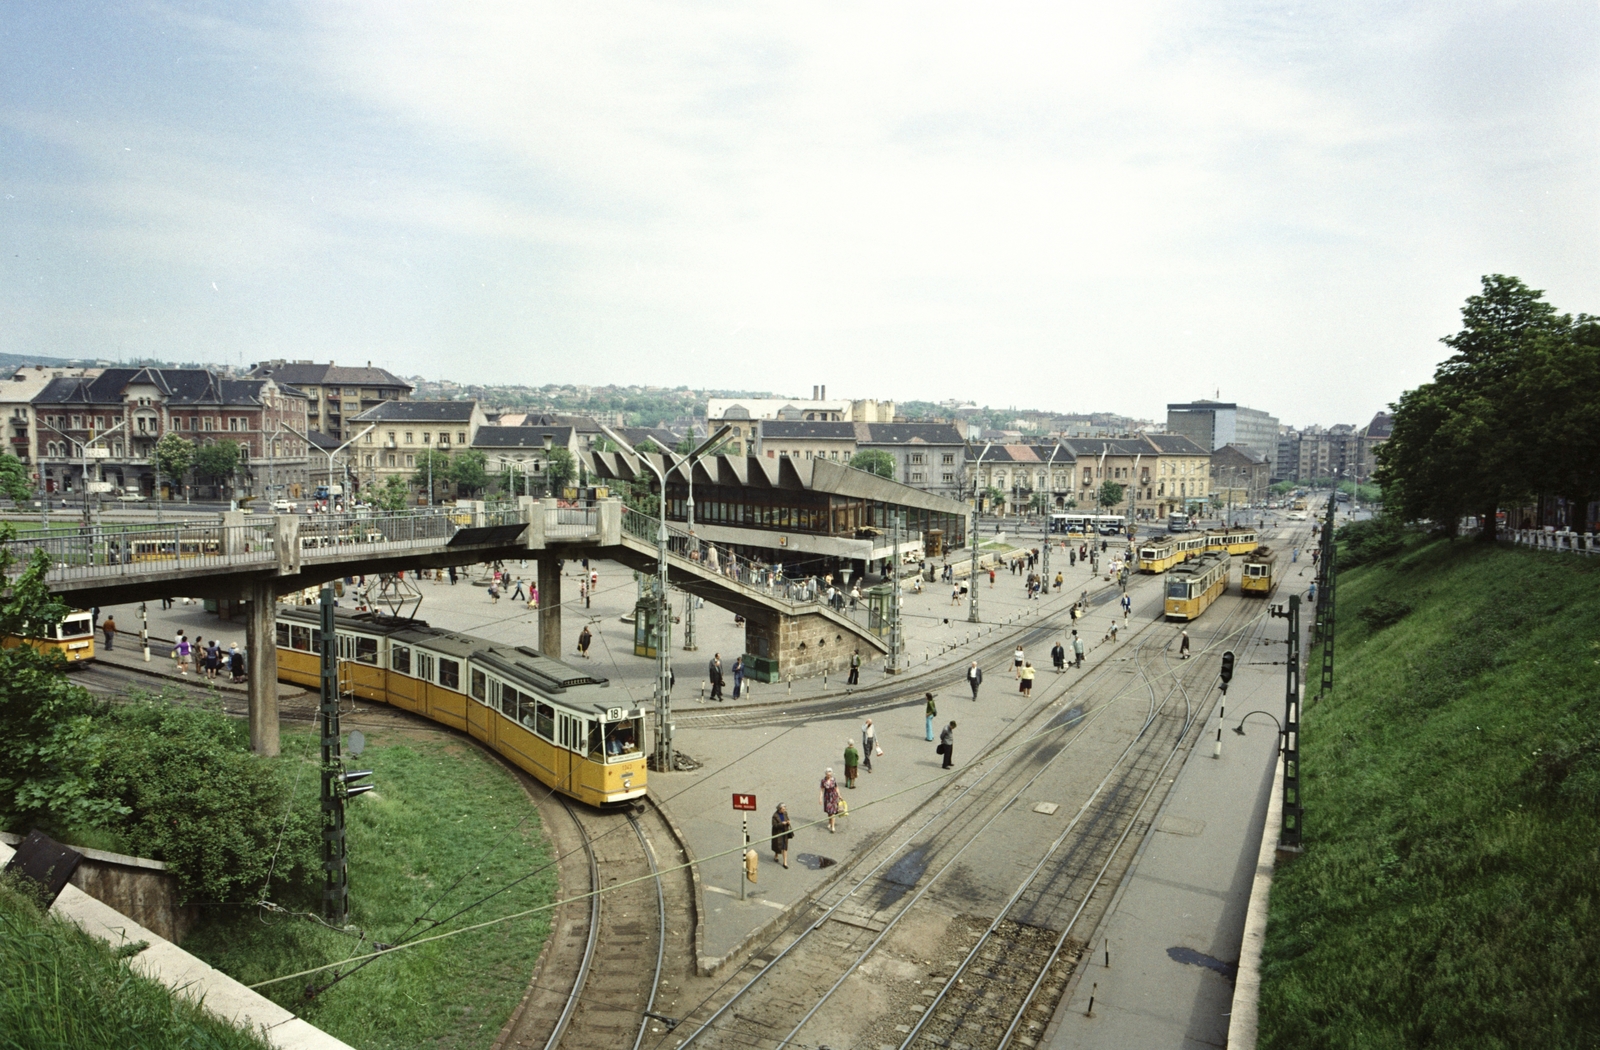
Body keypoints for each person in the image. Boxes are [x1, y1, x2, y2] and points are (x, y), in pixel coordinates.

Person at [770, 804, 793, 868]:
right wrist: (781, 824)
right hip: (778, 833)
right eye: (783, 809)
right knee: (778, 846)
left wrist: (788, 822)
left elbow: (787, 819)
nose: (784, 810)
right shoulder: (775, 816)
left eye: (785, 809)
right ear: (779, 809)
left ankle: (785, 862)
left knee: (784, 847)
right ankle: (776, 855)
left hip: (784, 833)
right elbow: (774, 825)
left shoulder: (785, 813)